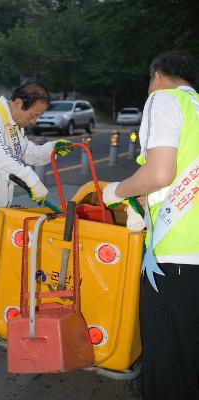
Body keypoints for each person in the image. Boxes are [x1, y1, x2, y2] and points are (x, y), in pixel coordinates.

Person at [102, 51, 199, 400]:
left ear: (157, 77)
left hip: (177, 257)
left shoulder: (163, 100)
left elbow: (159, 173)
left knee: (168, 362)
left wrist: (115, 191)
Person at [0, 83, 72, 361]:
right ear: (18, 103)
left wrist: (51, 149)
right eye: (33, 115)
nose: (35, 120)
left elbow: (25, 151)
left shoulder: (12, 124)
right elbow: (0, 159)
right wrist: (32, 181)